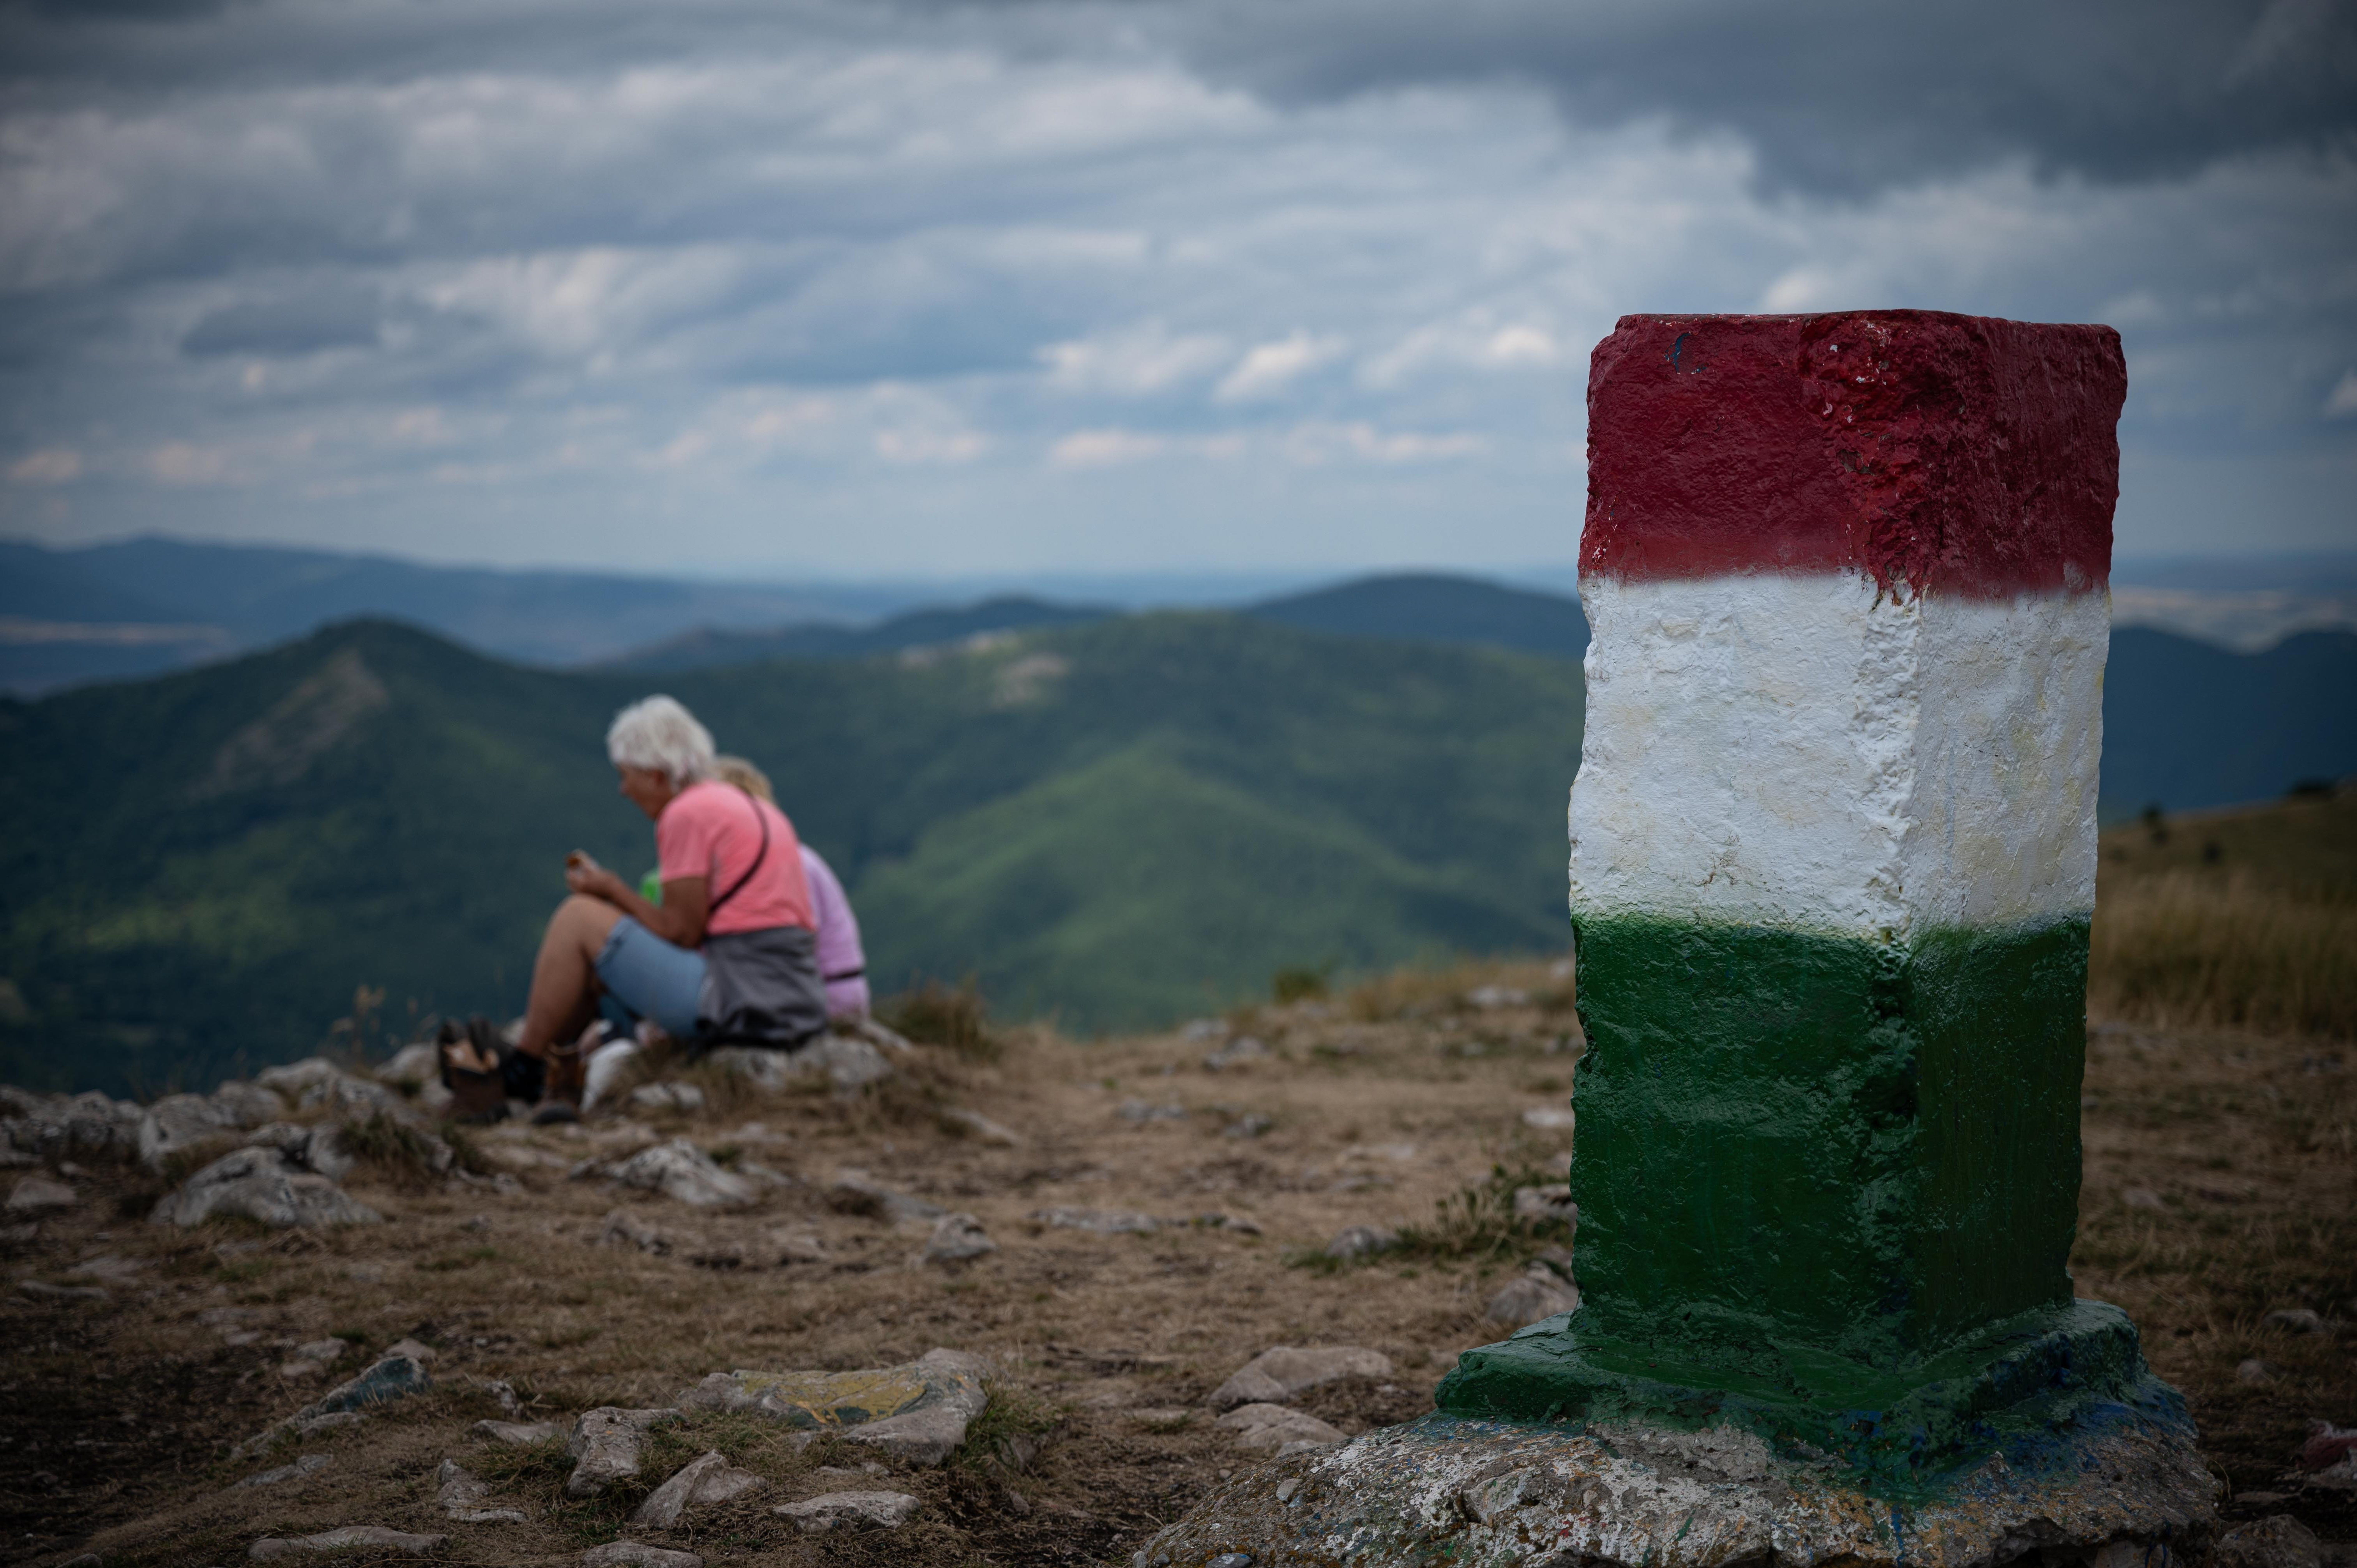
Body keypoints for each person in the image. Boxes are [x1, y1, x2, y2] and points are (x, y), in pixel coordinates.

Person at [445, 695, 828, 1121]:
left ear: (658, 775)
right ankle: (556, 1072)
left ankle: (520, 1069)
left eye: (627, 776)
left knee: (579, 918)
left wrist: (611, 889)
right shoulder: (746, 804)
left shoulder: (687, 813)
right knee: (596, 955)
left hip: (738, 996)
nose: (623, 789)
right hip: (789, 994)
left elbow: (683, 931)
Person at [712, 755, 871, 1021]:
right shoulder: (791, 855)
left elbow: (800, 940)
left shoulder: (789, 862)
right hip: (830, 987)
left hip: (825, 995)